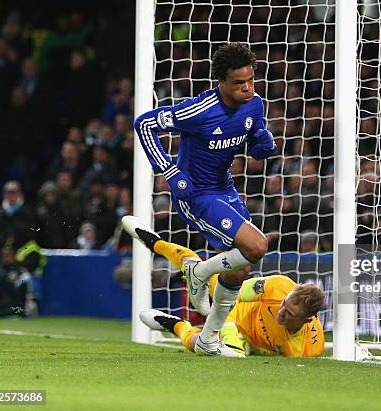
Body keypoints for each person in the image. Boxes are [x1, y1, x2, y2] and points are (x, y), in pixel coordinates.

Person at [131, 42, 277, 356]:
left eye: (251, 80)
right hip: (194, 193)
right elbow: (144, 124)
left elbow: (254, 139)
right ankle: (198, 272)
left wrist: (262, 145)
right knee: (257, 246)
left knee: (239, 270)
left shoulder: (255, 104)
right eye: (239, 83)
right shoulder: (198, 111)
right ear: (220, 82)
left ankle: (209, 339)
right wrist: (169, 171)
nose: (247, 88)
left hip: (224, 189)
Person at [138, 248, 325, 358]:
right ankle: (184, 263)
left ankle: (175, 325)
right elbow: (233, 291)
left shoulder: (308, 349)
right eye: (284, 304)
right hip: (236, 314)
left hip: (249, 342)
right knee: (222, 285)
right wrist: (227, 325)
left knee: (201, 346)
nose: (281, 311)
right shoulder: (279, 286)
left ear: (308, 320)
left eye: (290, 314)